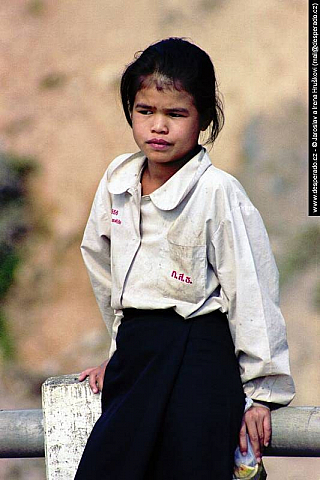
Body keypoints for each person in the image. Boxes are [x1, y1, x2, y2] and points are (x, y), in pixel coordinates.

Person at [74, 37, 295, 480]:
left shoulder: (218, 191)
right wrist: (118, 351)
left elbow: (251, 290)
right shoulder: (117, 181)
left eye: (176, 114)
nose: (159, 127)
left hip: (199, 358)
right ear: (130, 112)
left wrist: (261, 394)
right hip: (137, 357)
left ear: (204, 119)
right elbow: (105, 270)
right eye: (145, 111)